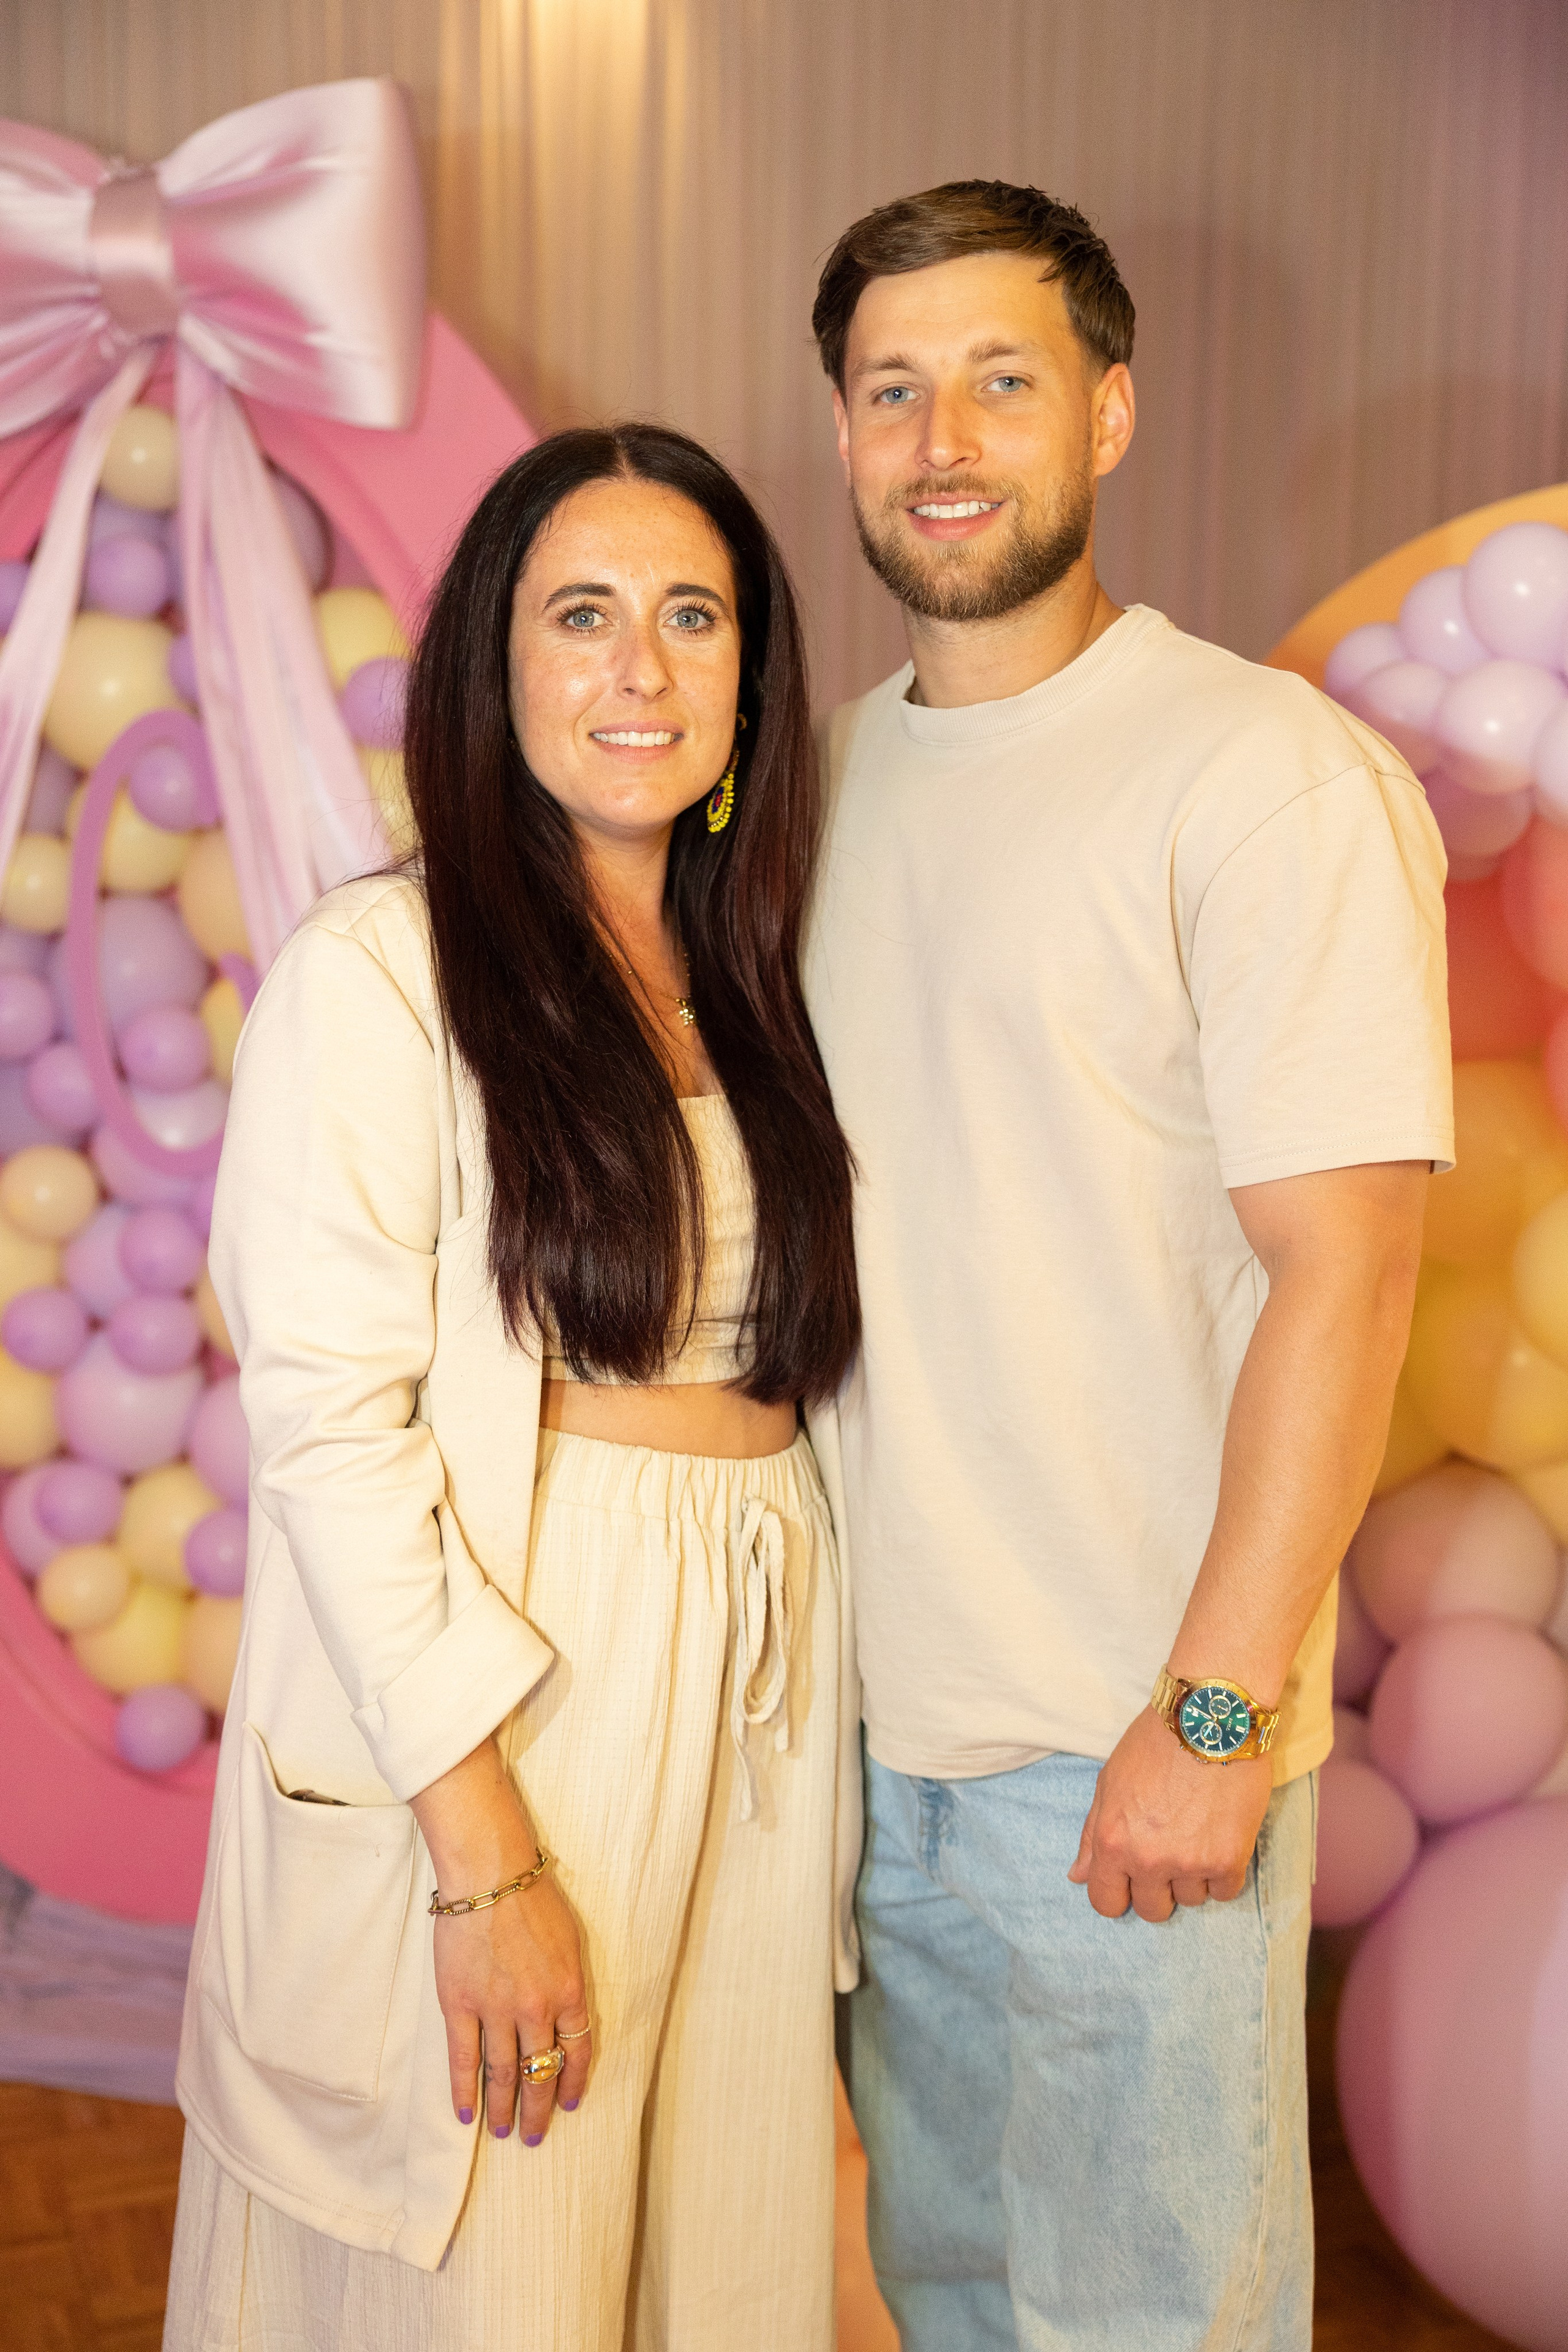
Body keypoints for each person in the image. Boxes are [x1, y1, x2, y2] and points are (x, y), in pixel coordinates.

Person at [805, 181, 1453, 2351]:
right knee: (953, 2298)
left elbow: (1348, 1271)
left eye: (1001, 378)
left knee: (1148, 2327)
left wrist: (1211, 1712)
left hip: (1130, 1753)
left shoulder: (1262, 775)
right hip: (881, 1753)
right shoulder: (828, 781)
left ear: (1111, 411)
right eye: (894, 390)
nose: (945, 437)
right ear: (844, 437)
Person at [162, 423, 861, 2352]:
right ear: (496, 662)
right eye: (583, 614)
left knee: (717, 2271)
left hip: (756, 1687)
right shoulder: (380, 969)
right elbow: (331, 1432)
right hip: (524, 1687)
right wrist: (483, 1859)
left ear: (750, 672)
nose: (640, 669)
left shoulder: (763, 983)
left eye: (692, 615)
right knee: (504, 2273)